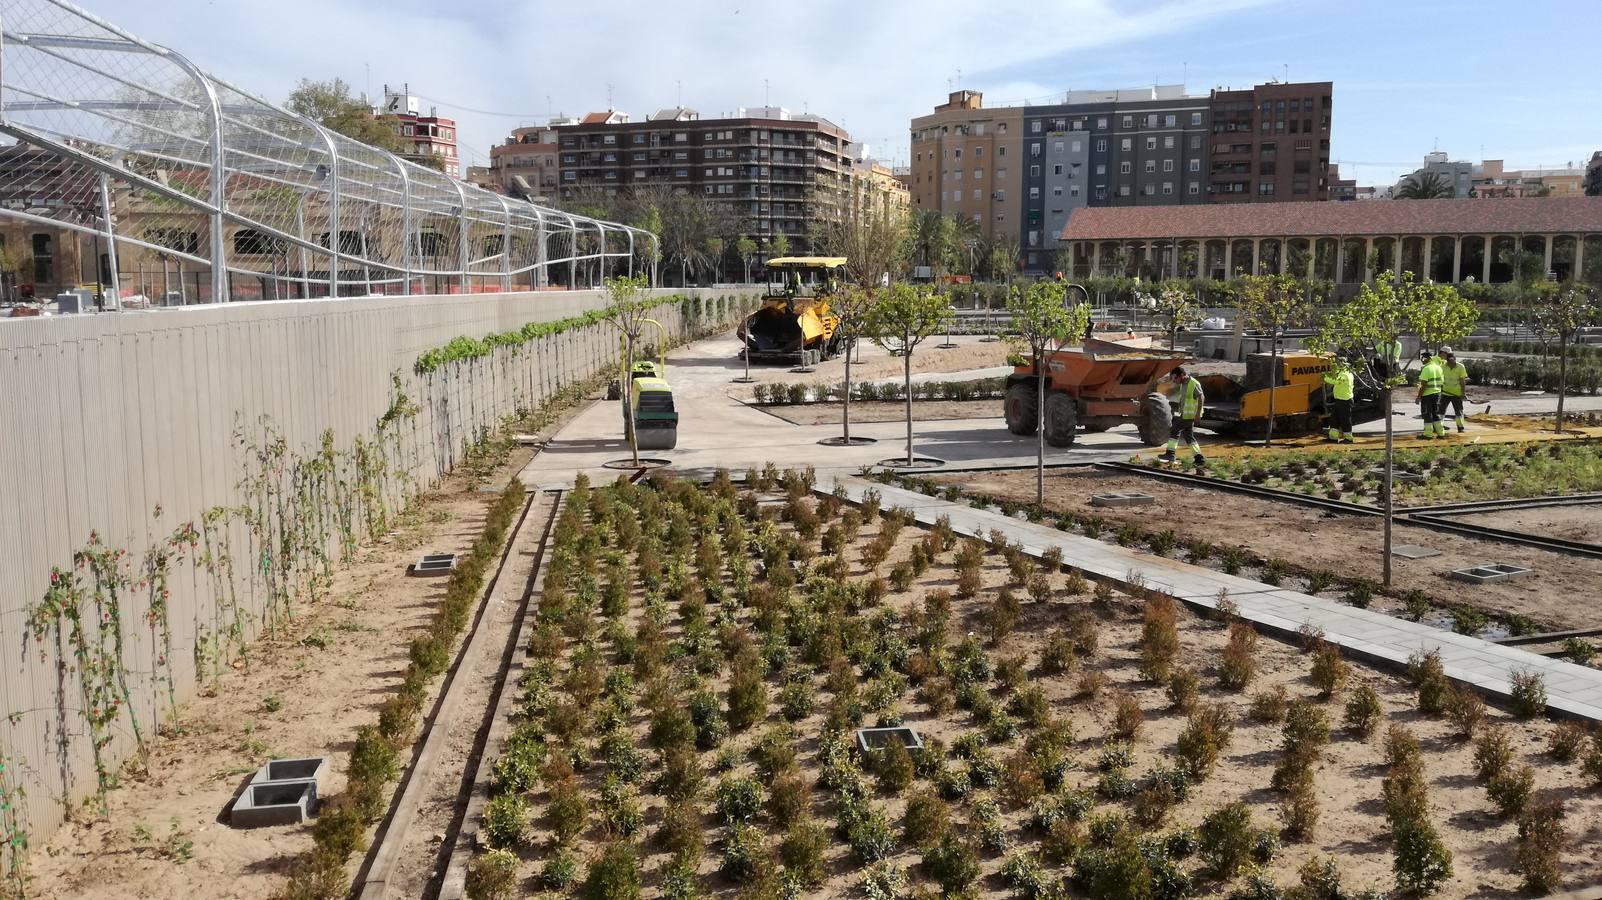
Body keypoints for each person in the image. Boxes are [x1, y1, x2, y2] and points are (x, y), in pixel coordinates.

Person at [1160, 366, 1205, 467]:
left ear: (1182, 375)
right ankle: (1199, 458)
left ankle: (1170, 454)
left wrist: (1197, 414)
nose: (1174, 381)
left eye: (1175, 378)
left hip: (1190, 415)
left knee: (1175, 429)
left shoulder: (1193, 383)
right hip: (1185, 414)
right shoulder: (1183, 384)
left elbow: (1201, 397)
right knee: (1189, 436)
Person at [1323, 355, 1356, 443]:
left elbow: (1335, 381)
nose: (1336, 365)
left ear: (1343, 364)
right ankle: (1333, 437)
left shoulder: (1345, 374)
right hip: (1339, 400)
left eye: (1338, 364)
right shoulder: (1344, 372)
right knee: (1334, 419)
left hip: (1345, 401)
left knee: (1345, 420)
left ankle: (1349, 438)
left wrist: (1325, 377)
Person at [1416, 349, 1445, 439]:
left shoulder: (1426, 369)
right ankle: (1441, 433)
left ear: (1427, 358)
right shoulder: (1438, 367)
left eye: (1423, 358)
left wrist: (1418, 397)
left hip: (1427, 395)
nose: (1422, 360)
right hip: (1437, 393)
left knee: (1426, 414)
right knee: (1435, 413)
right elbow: (1442, 381)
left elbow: (1424, 385)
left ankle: (1428, 434)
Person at [1440, 348, 1469, 433]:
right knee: (1441, 411)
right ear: (1447, 361)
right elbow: (1440, 379)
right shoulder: (1442, 367)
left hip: (1457, 394)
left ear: (1455, 360)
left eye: (1453, 362)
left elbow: (1462, 381)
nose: (1451, 364)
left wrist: (1463, 393)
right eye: (1449, 362)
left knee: (1458, 411)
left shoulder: (1460, 367)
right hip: (1445, 393)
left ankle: (1460, 427)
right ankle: (1439, 427)